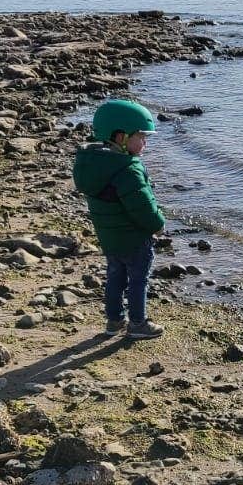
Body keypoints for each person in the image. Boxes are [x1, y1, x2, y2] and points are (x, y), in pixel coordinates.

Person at [72, 98, 166, 338]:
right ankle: (137, 324)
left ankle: (114, 321)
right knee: (138, 281)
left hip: (109, 236)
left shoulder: (93, 164)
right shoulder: (128, 170)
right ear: (122, 138)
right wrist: (158, 224)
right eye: (141, 137)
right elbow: (142, 206)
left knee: (115, 277)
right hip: (134, 238)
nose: (145, 142)